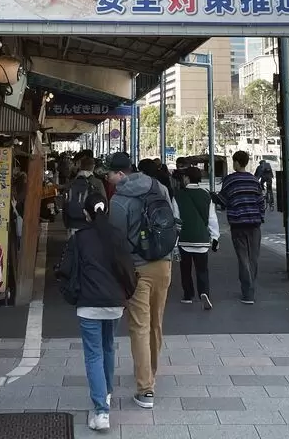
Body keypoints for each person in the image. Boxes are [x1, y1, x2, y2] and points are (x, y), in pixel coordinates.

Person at [56, 193, 137, 431]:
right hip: (115, 303)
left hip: (89, 304)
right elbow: (128, 268)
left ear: (86, 213)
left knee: (93, 354)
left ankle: (101, 411)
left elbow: (66, 270)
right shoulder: (117, 236)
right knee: (108, 346)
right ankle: (107, 392)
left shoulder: (79, 238)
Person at [107, 152, 175, 410]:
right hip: (164, 264)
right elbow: (171, 220)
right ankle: (150, 372)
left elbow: (117, 242)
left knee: (139, 326)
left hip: (138, 268)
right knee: (156, 322)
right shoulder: (158, 186)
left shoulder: (119, 200)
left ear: (121, 174)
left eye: (110, 173)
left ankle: (146, 389)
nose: (108, 178)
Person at [219, 151, 265, 305]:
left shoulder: (230, 181)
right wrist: (260, 217)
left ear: (237, 162)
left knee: (243, 258)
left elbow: (223, 201)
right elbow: (261, 202)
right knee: (253, 258)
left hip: (238, 225)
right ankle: (251, 289)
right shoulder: (254, 180)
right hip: (255, 225)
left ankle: (248, 292)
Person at [172, 166, 219, 309]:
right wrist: (215, 237)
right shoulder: (206, 195)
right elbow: (212, 218)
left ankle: (188, 295)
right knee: (202, 269)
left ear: (187, 178)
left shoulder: (178, 195)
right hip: (202, 240)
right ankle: (204, 292)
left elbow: (176, 219)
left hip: (185, 239)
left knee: (185, 269)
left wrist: (175, 243)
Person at [64, 155, 107, 234]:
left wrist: (67, 223)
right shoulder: (97, 183)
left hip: (72, 222)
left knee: (73, 244)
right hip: (90, 224)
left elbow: (65, 204)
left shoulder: (72, 182)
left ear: (81, 166)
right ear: (93, 167)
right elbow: (104, 204)